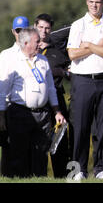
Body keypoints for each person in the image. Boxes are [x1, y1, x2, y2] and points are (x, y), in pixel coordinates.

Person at [67, 0, 103, 180]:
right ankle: (78, 169)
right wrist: (98, 45)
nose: (94, 5)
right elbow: (73, 54)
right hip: (82, 80)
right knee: (80, 127)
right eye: (91, 1)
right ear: (86, 2)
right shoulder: (77, 25)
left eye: (97, 2)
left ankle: (101, 168)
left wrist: (88, 45)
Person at [0, 27, 65, 177]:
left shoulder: (43, 60)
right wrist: (1, 116)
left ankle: (39, 179)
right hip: (19, 113)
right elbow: (2, 92)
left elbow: (50, 88)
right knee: (19, 154)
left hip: (43, 114)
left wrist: (57, 111)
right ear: (26, 43)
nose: (39, 44)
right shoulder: (13, 62)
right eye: (37, 42)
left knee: (41, 154)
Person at [34, 13, 72, 178]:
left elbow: (71, 73)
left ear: (51, 30)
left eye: (47, 28)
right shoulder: (29, 49)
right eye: (41, 27)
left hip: (57, 98)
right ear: (35, 27)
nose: (44, 31)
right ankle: (37, 176)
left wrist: (63, 72)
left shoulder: (59, 51)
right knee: (38, 143)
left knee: (60, 143)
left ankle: (61, 177)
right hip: (38, 102)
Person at [0, 15, 30, 176]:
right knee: (9, 150)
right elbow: (2, 87)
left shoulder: (34, 52)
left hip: (31, 109)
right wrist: (1, 114)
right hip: (11, 107)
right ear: (13, 31)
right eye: (18, 30)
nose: (21, 33)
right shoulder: (6, 55)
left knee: (29, 151)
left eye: (24, 30)